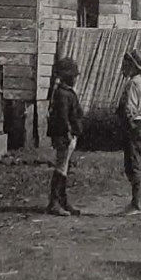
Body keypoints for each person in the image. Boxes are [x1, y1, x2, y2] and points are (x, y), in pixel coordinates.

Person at [46, 57, 84, 217]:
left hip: (68, 136)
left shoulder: (66, 92)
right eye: (74, 76)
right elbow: (63, 117)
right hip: (64, 136)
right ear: (69, 77)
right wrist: (68, 132)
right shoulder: (62, 94)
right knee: (61, 168)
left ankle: (63, 200)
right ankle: (55, 202)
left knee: (64, 168)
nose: (76, 79)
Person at [116, 47, 141, 215]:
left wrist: (127, 123)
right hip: (139, 125)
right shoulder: (140, 83)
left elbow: (129, 108)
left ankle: (137, 203)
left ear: (133, 66)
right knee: (132, 162)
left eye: (126, 63)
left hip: (133, 126)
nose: (123, 66)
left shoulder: (132, 84)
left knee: (132, 163)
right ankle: (135, 202)